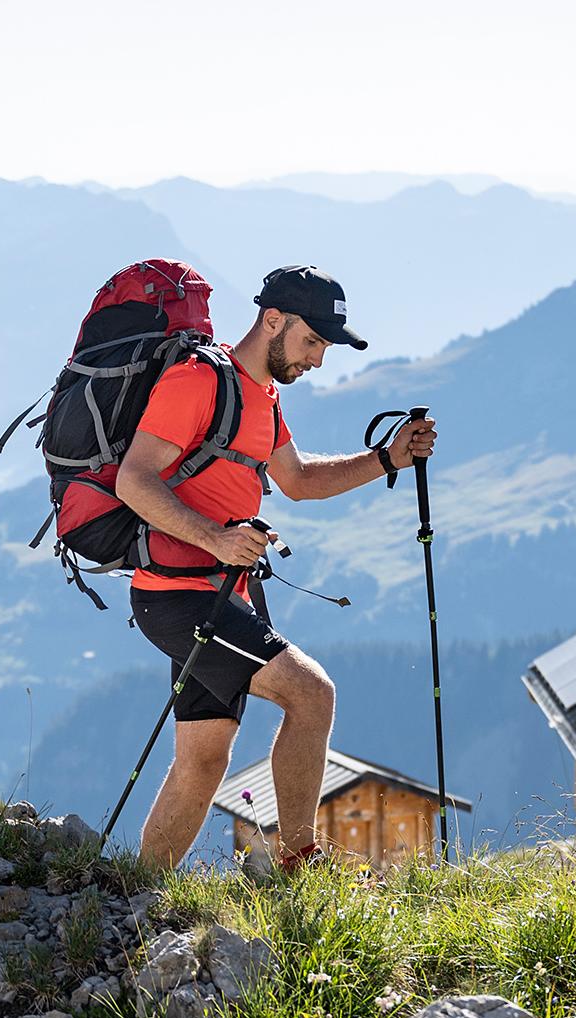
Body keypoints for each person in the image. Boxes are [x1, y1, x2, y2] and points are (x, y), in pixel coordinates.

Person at [116, 265, 436, 870]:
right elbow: (134, 478)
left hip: (217, 599)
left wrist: (386, 459)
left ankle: (138, 893)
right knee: (311, 695)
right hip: (176, 597)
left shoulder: (263, 397)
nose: (318, 359)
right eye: (312, 341)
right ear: (272, 321)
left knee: (204, 758)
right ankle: (298, 862)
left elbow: (298, 481)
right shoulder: (198, 382)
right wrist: (215, 538)